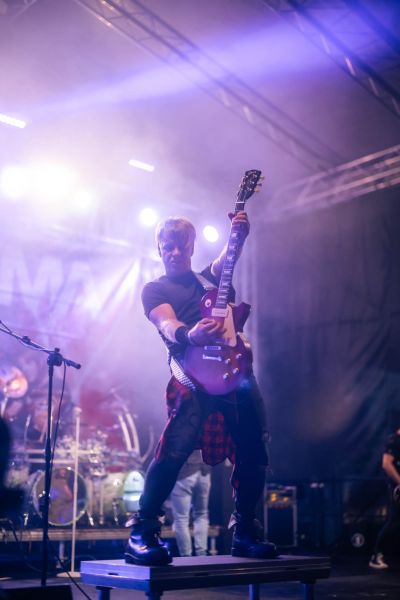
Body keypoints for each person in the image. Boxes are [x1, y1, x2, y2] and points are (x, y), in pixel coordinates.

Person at [125, 212, 278, 566]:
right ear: (159, 249)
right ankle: (142, 532)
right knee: (175, 449)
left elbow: (228, 258)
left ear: (192, 247)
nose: (175, 252)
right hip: (193, 374)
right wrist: (189, 334)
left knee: (254, 449)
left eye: (182, 246)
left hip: (234, 374)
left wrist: (238, 233)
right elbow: (166, 323)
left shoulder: (209, 279)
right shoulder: (155, 289)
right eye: (168, 247)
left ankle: (245, 531)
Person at [169, 449, 212, 557]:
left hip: (184, 472)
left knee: (181, 518)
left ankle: (186, 558)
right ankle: (202, 556)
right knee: (201, 514)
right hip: (204, 470)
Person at [369, 427, 400, 569]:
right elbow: (386, 464)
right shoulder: (394, 441)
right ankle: (376, 555)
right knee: (394, 521)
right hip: (397, 488)